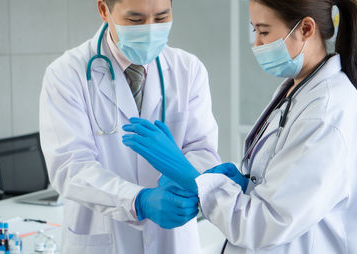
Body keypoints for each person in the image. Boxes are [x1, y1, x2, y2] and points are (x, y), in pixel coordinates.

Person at [122, 0, 357, 253]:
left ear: (306, 29)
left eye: (264, 31)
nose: (256, 44)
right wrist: (245, 183)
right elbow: (289, 188)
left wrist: (194, 179)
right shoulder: (298, 90)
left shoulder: (326, 113)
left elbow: (264, 224)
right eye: (254, 30)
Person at [39, 0, 221, 253]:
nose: (150, 30)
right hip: (103, 235)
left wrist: (180, 179)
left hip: (173, 238)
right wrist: (139, 201)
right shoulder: (67, 74)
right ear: (104, 10)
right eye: (135, 20)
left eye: (161, 18)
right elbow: (70, 166)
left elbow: (203, 148)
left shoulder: (188, 69)